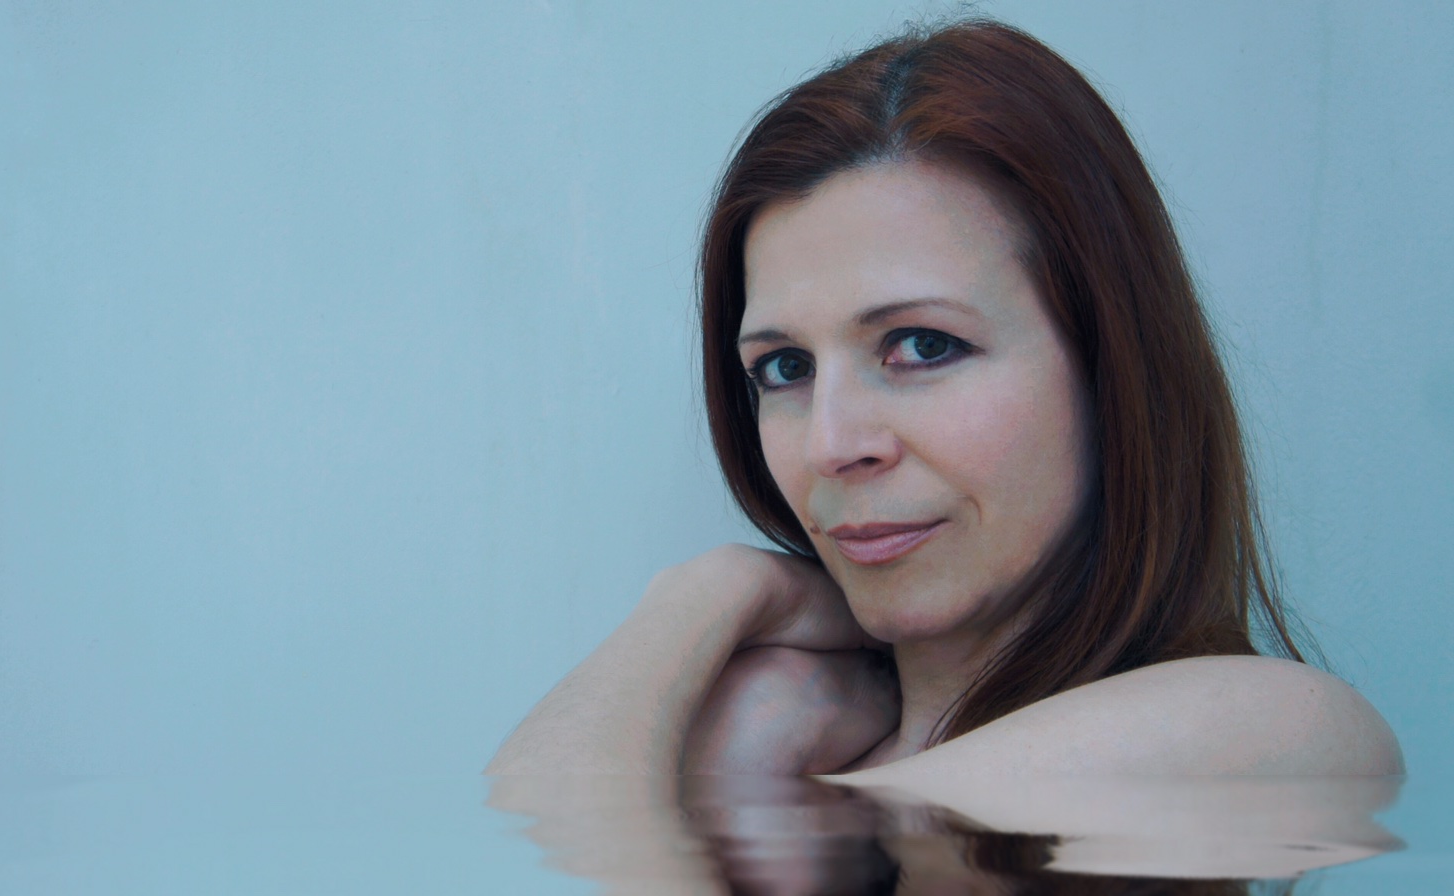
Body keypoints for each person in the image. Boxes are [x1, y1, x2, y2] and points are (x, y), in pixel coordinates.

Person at [485, 18, 1401, 781]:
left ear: (1109, 367)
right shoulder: (789, 758)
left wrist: (699, 617)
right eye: (786, 368)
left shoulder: (1275, 728)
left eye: (924, 346)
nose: (831, 443)